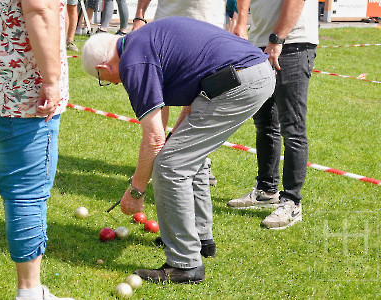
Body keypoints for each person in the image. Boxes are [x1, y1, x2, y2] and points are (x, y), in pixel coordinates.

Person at [81, 16, 275, 283]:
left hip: (239, 81)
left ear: (104, 66)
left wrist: (136, 191)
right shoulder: (142, 43)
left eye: (103, 78)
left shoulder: (133, 62)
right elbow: (188, 99)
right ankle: (200, 238)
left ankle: (185, 264)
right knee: (184, 155)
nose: (112, 83)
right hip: (248, 73)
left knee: (172, 166)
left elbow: (153, 139)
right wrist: (175, 138)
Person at [0, 0, 72, 299]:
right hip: (18, 96)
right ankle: (30, 293)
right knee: (26, 195)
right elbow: (39, 8)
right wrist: (52, 79)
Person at [228, 0, 319, 229]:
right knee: (265, 123)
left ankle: (292, 202)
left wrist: (277, 38)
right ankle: (267, 190)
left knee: (292, 127)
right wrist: (241, 22)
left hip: (291, 44)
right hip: (261, 44)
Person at [132, 0, 227, 188]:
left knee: (200, 97)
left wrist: (240, 23)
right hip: (166, 24)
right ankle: (155, 159)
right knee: (158, 95)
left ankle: (195, 160)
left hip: (208, 24)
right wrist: (139, 16)